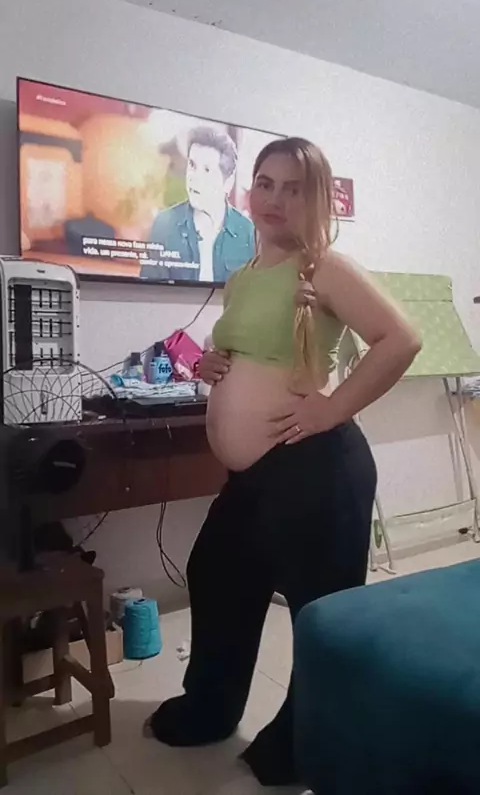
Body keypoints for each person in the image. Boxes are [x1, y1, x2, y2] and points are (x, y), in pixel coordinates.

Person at [147, 137, 421, 786]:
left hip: (317, 468)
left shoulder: (324, 267)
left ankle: (306, 744)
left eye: (293, 187)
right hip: (256, 476)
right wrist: (214, 363)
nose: (275, 198)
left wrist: (331, 409)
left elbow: (400, 340)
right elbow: (255, 350)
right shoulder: (243, 276)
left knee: (318, 616)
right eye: (265, 183)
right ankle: (211, 709)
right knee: (215, 573)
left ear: (316, 198)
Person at [140, 126, 255, 283]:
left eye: (207, 170)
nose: (194, 177)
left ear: (228, 182)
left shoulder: (248, 233)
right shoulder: (164, 224)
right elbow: (149, 289)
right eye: (192, 165)